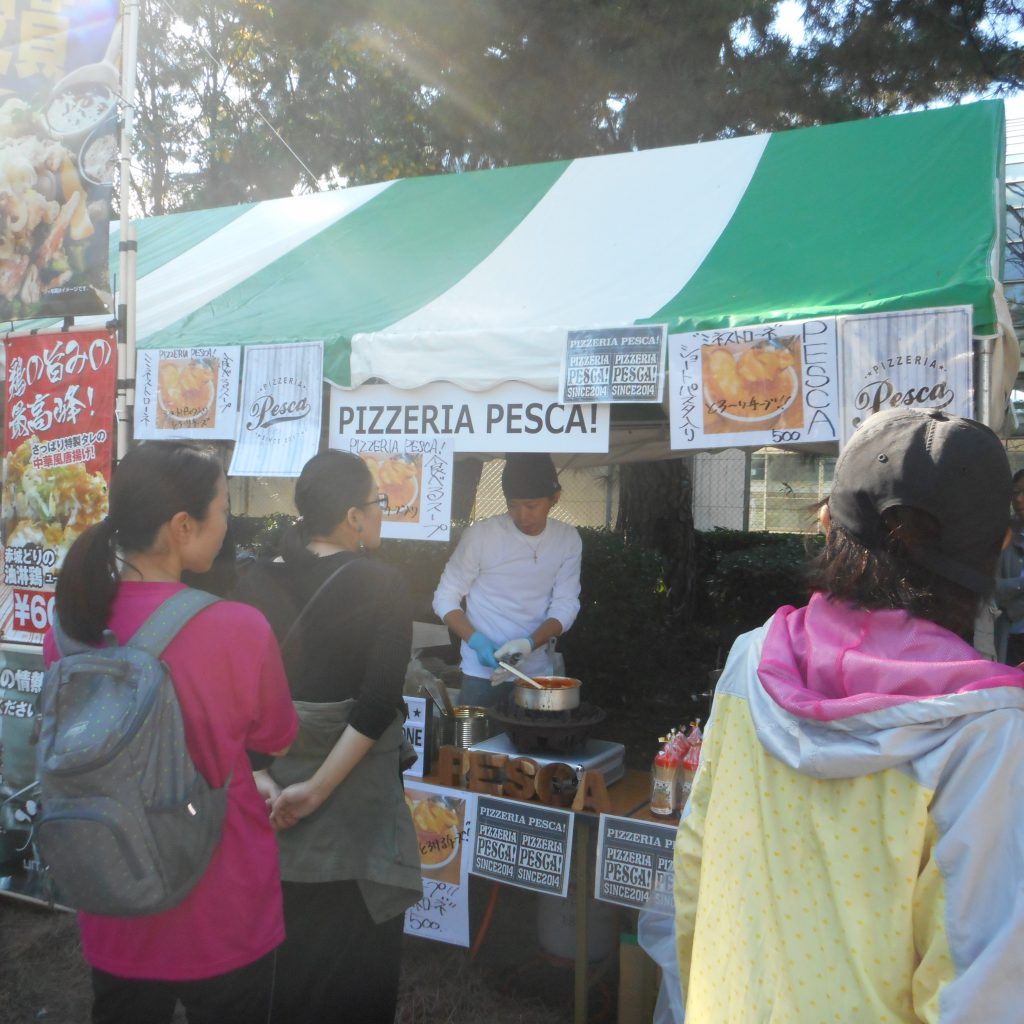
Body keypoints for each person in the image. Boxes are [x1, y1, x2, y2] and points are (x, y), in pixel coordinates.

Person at [640, 408, 1024, 1023]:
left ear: (826, 525)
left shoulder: (750, 663)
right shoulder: (984, 732)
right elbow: (979, 988)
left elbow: (694, 865)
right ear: (1000, 543)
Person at [43, 441, 298, 1024]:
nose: (227, 523)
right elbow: (278, 739)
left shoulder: (70, 629)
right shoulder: (239, 627)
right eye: (223, 510)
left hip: (115, 890)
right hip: (223, 901)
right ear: (183, 526)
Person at [232, 449, 422, 1024]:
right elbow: (377, 704)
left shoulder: (251, 579)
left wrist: (259, 773)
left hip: (268, 812)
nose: (382, 512)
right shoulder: (385, 584)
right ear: (352, 517)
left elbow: (234, 693)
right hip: (355, 822)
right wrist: (315, 791)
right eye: (377, 502)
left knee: (283, 976)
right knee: (355, 979)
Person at [432, 452, 582, 706]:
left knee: (531, 731)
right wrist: (476, 641)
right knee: (478, 733)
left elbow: (565, 604)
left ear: (555, 498)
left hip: (534, 671)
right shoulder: (481, 536)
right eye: (513, 505)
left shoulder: (567, 539)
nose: (522, 516)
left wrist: (529, 644)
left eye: (531, 506)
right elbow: (445, 597)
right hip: (481, 674)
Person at [994, 467, 1024, 664]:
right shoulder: (1001, 535)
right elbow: (992, 588)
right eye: (1016, 492)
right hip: (1012, 638)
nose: (1019, 499)